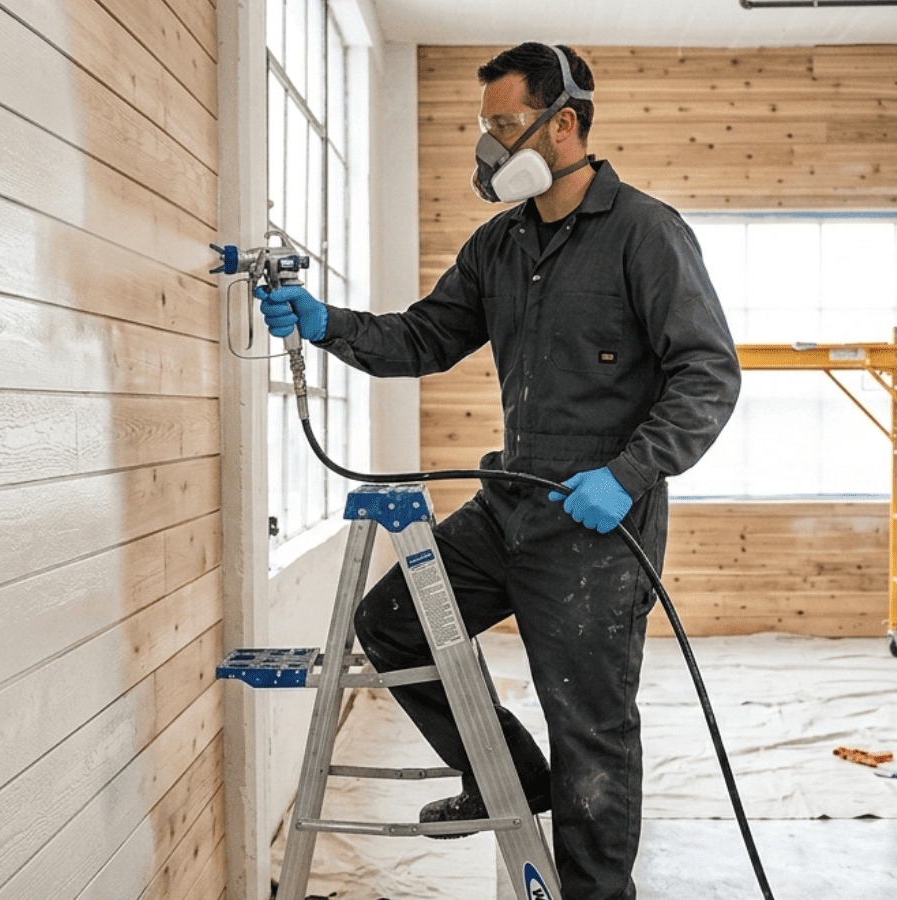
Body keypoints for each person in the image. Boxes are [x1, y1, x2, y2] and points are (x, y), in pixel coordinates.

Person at [256, 42, 741, 900]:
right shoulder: (500, 245)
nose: (492, 148)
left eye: (506, 126)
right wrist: (326, 321)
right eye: (486, 129)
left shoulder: (646, 233)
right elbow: (422, 339)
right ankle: (510, 776)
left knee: (589, 729)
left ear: (565, 125)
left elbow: (708, 377)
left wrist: (628, 475)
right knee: (396, 624)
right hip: (508, 504)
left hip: (596, 526)